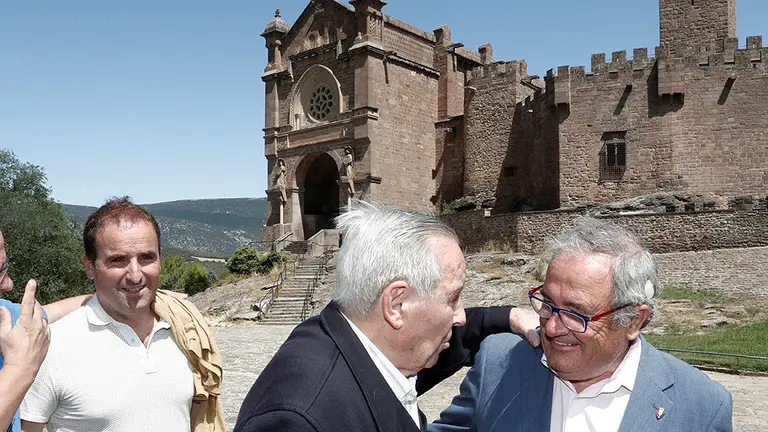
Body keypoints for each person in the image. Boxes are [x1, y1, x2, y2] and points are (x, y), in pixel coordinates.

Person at [234, 200, 541, 432]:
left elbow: (448, 337)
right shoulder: (300, 420)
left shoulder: (355, 338)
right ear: (395, 304)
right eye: (453, 298)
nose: (459, 316)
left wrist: (510, 316)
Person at [429, 217, 733, 432]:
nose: (550, 328)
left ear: (633, 321)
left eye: (576, 314)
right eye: (547, 303)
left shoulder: (701, 405)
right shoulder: (498, 364)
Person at [21, 197, 224, 432]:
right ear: (89, 266)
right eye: (118, 260)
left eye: (147, 257)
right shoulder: (52, 347)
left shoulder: (187, 333)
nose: (135, 275)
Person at [0, 229, 91, 432]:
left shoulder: (5, 317)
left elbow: (55, 311)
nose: (8, 284)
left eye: (4, 267)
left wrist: (158, 297)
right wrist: (19, 367)